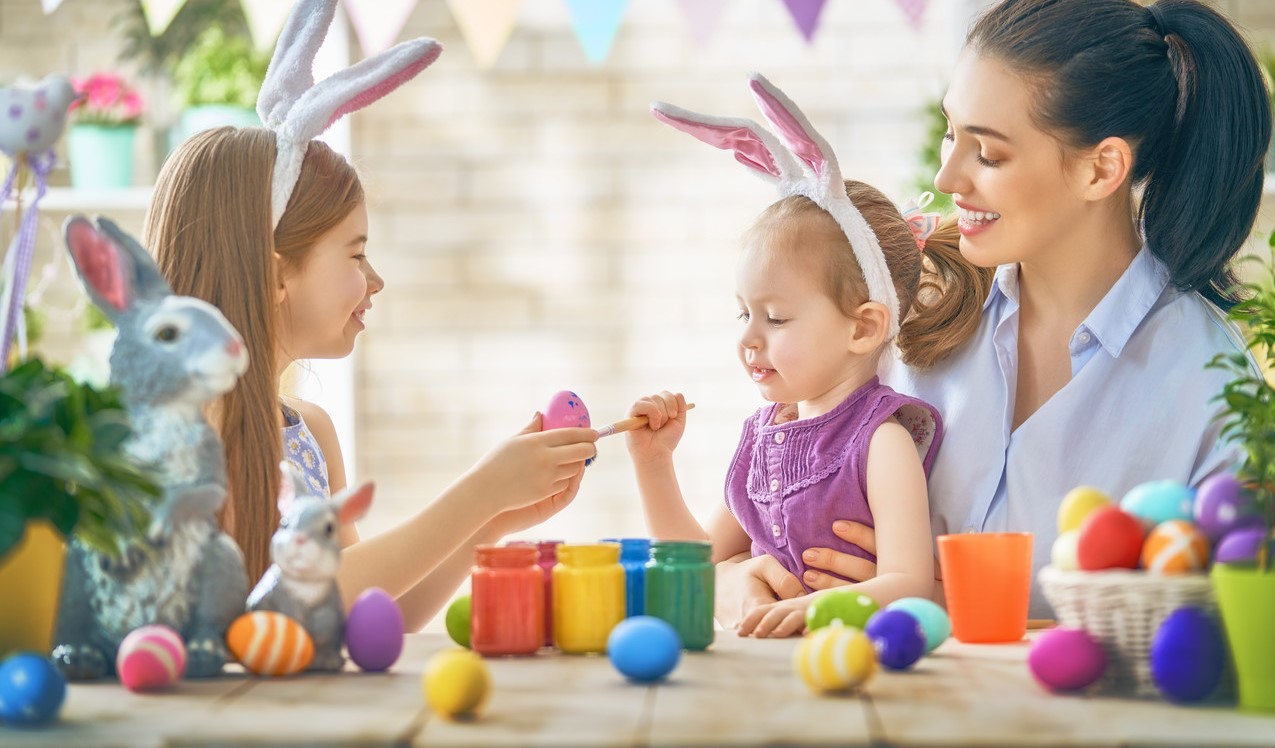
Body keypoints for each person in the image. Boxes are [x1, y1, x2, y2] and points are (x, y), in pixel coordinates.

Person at [719, 0, 1271, 623]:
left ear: (1102, 168)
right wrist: (738, 580)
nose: (946, 174)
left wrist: (938, 603)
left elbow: (1225, 634)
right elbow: (748, 520)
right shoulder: (899, 316)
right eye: (952, 132)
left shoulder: (1209, 385)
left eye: (987, 153)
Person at [145, 0, 598, 632]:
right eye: (356, 253)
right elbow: (292, 597)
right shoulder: (190, 434)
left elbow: (377, 609)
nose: (376, 280)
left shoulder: (311, 432)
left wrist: (493, 518)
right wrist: (480, 491)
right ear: (278, 273)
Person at [624, 74, 991, 637]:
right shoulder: (760, 440)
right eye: (743, 313)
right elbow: (691, 566)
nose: (749, 338)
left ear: (864, 327)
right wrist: (653, 463)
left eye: (776, 318)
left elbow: (909, 584)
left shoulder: (881, 441)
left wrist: (818, 609)